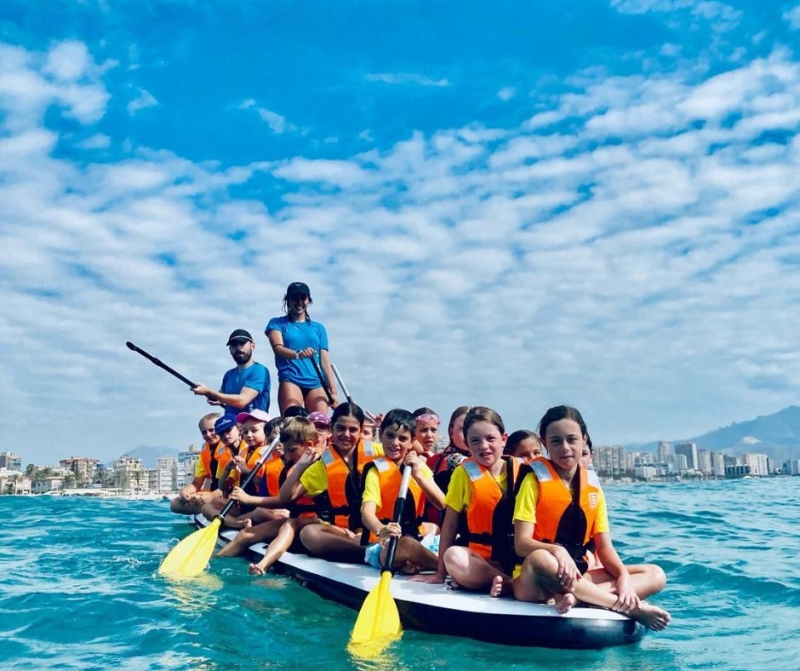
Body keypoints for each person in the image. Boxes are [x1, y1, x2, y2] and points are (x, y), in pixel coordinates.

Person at [511, 406, 670, 631]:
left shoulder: (593, 487)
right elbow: (521, 544)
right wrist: (557, 551)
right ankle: (625, 606)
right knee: (540, 557)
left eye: (572, 439)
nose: (565, 448)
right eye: (556, 441)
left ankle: (578, 598)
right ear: (545, 443)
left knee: (655, 574)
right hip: (536, 581)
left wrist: (623, 578)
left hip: (578, 575)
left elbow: (604, 548)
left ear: (584, 439)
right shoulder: (532, 483)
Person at [413, 406, 520, 595]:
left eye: (490, 438)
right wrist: (440, 573)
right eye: (475, 441)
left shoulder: (522, 472)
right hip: (479, 560)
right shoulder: (463, 474)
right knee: (453, 556)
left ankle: (510, 583)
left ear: (504, 439)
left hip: (516, 561)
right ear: (468, 445)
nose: (483, 446)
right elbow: (450, 525)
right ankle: (510, 584)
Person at [277, 402, 382, 562]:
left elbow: (410, 450)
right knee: (309, 534)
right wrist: (300, 466)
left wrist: (385, 428)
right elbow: (286, 497)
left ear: (361, 431)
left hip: (378, 527)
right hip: (345, 532)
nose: (346, 434)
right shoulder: (324, 463)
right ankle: (370, 553)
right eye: (341, 428)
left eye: (353, 430)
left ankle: (375, 549)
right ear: (332, 427)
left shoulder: (377, 451)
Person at [219, 417, 320, 562]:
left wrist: (247, 499)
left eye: (292, 450)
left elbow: (284, 500)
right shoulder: (290, 465)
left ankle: (263, 564)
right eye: (286, 450)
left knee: (277, 520)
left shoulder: (315, 466)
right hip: (295, 517)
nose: (287, 455)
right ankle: (214, 562)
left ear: (309, 445)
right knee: (245, 534)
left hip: (313, 520)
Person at [360, 409, 444, 573]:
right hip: (382, 545)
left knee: (437, 533)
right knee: (407, 544)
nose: (395, 443)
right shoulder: (375, 471)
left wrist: (418, 476)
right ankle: (442, 568)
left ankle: (413, 562)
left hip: (416, 536)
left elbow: (442, 503)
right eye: (390, 436)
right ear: (380, 435)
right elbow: (366, 512)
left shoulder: (419, 467)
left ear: (412, 441)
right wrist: (380, 529)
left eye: (403, 438)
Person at [266, 282, 339, 414]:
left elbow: (325, 361)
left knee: (319, 422)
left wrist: (333, 392)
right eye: (295, 298)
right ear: (288, 300)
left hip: (316, 381)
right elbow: (278, 349)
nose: (299, 302)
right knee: (293, 421)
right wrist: (298, 354)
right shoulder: (277, 323)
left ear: (308, 300)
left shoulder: (319, 328)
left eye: (303, 298)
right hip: (291, 378)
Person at [191, 329, 271, 415]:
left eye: (242, 343)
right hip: (231, 423)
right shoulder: (228, 375)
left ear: (253, 346)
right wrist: (214, 397)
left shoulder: (260, 371)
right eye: (234, 345)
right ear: (230, 349)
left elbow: (241, 401)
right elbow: (220, 396)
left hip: (254, 423)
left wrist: (208, 392)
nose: (239, 348)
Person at [170, 413, 224, 514]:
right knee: (174, 504)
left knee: (208, 505)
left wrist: (212, 496)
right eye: (204, 432)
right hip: (213, 493)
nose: (208, 435)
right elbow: (196, 483)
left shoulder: (230, 447)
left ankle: (214, 511)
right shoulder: (205, 451)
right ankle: (209, 508)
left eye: (212, 430)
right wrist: (185, 492)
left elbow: (233, 486)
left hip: (226, 494)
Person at [424, 405, 471, 523]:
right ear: (451, 430)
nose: (469, 434)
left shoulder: (434, 458)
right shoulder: (452, 460)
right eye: (463, 429)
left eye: (473, 428)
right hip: (445, 528)